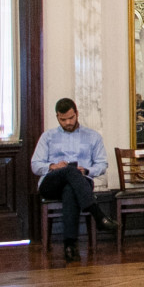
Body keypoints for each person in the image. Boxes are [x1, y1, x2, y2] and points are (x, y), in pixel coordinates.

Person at [30, 98, 115, 261]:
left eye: (71, 118)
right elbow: (35, 165)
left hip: (80, 182)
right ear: (57, 117)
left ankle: (70, 246)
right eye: (63, 120)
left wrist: (87, 170)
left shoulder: (93, 136)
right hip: (52, 183)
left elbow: (102, 164)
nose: (68, 122)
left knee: (70, 187)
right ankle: (98, 215)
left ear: (77, 114)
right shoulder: (48, 137)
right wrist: (53, 166)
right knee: (69, 170)